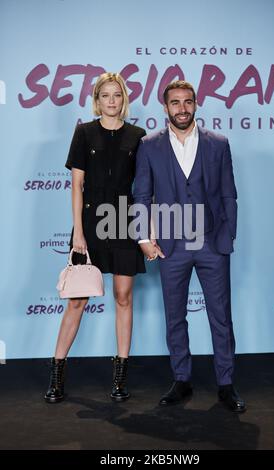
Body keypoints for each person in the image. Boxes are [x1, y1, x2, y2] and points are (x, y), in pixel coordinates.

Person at [133, 80, 246, 412]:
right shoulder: (149, 145)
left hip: (212, 243)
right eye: (175, 103)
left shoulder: (218, 144)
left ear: (196, 104)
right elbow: (142, 194)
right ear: (165, 107)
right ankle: (181, 380)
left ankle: (226, 385)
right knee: (174, 316)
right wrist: (143, 237)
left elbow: (229, 194)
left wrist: (228, 235)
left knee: (221, 317)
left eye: (187, 102)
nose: (182, 108)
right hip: (171, 245)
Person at [44, 72, 146, 404]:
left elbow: (144, 189)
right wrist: (79, 234)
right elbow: (76, 185)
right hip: (90, 222)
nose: (112, 101)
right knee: (77, 299)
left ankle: (120, 378)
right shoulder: (84, 132)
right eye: (106, 95)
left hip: (125, 221)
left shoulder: (138, 136)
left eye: (117, 95)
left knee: (123, 297)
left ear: (124, 99)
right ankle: (57, 374)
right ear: (97, 99)